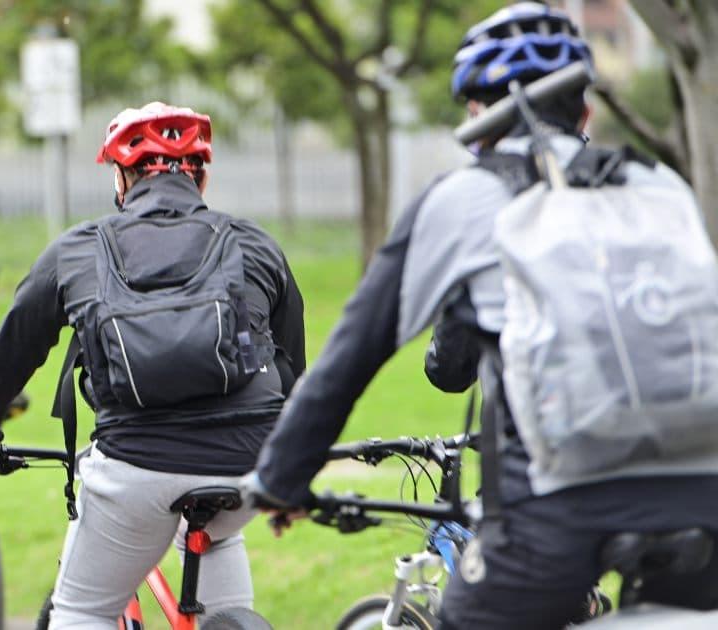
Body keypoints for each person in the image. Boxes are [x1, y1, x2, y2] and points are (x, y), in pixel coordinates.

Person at [243, 4, 718, 629]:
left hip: (551, 511)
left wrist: (281, 479)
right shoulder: (658, 186)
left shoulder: (461, 197)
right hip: (702, 495)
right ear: (586, 111)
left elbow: (348, 359)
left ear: (476, 113)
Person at [0, 102, 306, 629]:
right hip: (249, 464)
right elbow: (291, 367)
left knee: (81, 611)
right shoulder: (254, 243)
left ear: (122, 177)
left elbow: (12, 355)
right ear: (201, 176)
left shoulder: (78, 249)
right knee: (215, 535)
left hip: (136, 467)